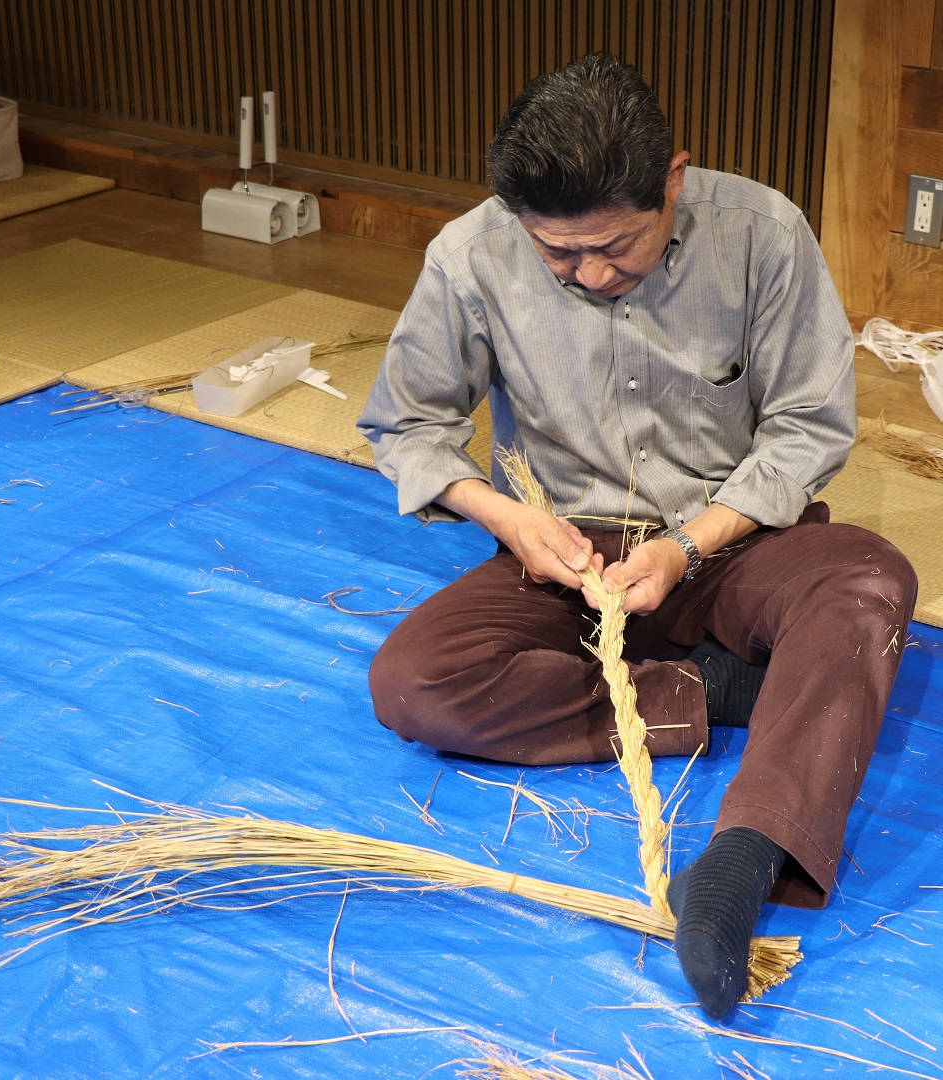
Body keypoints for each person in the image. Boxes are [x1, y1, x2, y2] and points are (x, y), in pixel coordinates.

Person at [357, 53, 918, 1020]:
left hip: (730, 540)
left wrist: (690, 547)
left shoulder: (764, 235)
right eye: (558, 256)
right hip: (563, 555)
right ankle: (718, 689)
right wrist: (509, 520)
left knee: (868, 582)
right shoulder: (470, 254)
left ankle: (745, 858)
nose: (592, 275)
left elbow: (806, 430)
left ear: (674, 179)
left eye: (616, 246)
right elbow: (406, 426)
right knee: (415, 681)